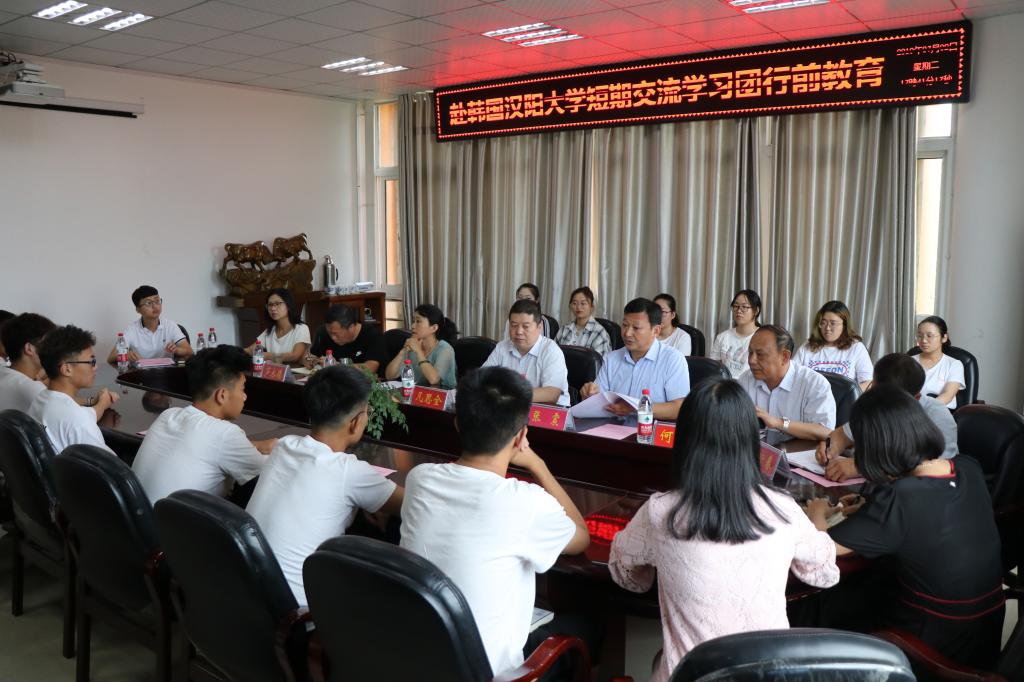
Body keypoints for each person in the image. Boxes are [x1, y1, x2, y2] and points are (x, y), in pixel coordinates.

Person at [610, 378, 839, 682]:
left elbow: (626, 575)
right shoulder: (782, 508)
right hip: (765, 677)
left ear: (684, 439)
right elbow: (824, 572)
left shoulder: (660, 511)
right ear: (751, 439)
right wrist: (817, 520)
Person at [400, 367, 590, 676]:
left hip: (418, 662)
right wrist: (537, 464)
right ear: (521, 436)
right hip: (491, 674)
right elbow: (581, 536)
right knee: (586, 624)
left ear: (457, 424)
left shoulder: (419, 479)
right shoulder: (525, 502)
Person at [806, 385, 1004, 670]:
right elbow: (931, 521)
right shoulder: (967, 467)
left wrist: (818, 512)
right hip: (985, 634)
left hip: (932, 647)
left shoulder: (898, 499)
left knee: (824, 601)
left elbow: (821, 549)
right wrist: (868, 507)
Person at [246, 365, 403, 607]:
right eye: (367, 411)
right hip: (295, 612)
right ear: (355, 422)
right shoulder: (349, 471)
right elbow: (411, 505)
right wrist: (370, 500)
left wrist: (364, 499)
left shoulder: (285, 445)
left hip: (244, 588)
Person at [131, 345, 277, 502]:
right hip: (175, 518)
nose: (245, 397)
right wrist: (277, 449)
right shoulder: (225, 434)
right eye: (242, 389)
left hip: (139, 513)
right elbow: (270, 470)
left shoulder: (168, 415)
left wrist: (254, 445)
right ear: (222, 395)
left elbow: (209, 444)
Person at [816, 353, 958, 481]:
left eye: (888, 400)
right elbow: (842, 435)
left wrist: (862, 467)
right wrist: (829, 447)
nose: (877, 402)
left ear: (916, 397)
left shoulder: (937, 415)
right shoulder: (874, 404)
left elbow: (935, 469)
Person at [580, 298, 690, 420]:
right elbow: (599, 401)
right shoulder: (612, 358)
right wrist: (589, 395)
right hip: (613, 428)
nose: (627, 333)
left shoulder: (672, 359)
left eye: (636, 328)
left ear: (655, 331)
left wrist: (637, 407)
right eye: (625, 325)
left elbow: (679, 408)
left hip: (651, 429)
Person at [29, 325, 118, 454]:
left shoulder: (40, 399)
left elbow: (83, 415)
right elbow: (110, 464)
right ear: (67, 369)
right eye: (91, 362)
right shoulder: (78, 419)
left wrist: (101, 403)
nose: (96, 367)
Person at [737, 325, 835, 441]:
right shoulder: (746, 379)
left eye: (760, 354)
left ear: (784, 357)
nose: (751, 361)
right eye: (750, 352)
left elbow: (826, 432)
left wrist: (779, 423)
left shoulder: (814, 384)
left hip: (799, 451)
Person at [483, 299, 570, 406]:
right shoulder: (502, 347)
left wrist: (508, 394)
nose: (519, 332)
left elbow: (551, 394)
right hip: (511, 410)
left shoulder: (551, 350)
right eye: (514, 325)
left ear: (539, 327)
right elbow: (482, 379)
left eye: (526, 326)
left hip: (548, 412)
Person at [793, 300, 873, 390]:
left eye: (833, 323)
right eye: (823, 323)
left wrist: (848, 396)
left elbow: (868, 382)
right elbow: (792, 376)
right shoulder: (807, 346)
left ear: (844, 325)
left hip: (845, 399)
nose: (827, 328)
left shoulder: (856, 348)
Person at [106, 285, 193, 365]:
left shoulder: (170, 325)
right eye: (148, 303)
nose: (155, 306)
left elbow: (189, 351)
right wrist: (126, 355)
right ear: (138, 309)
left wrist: (176, 350)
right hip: (141, 374)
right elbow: (110, 358)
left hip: (167, 372)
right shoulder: (132, 330)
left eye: (157, 301)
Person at [384, 303, 458, 389]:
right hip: (417, 394)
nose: (412, 326)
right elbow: (389, 376)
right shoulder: (412, 346)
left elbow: (434, 380)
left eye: (418, 321)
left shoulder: (445, 349)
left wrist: (418, 351)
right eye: (413, 321)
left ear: (434, 328)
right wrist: (403, 351)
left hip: (444, 395)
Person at [304, 304, 388, 374]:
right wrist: (309, 361)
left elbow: (370, 368)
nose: (332, 337)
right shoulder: (325, 333)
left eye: (335, 334)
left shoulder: (372, 335)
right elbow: (312, 355)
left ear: (351, 327)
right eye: (329, 333)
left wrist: (337, 366)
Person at [0, 313, 55, 412]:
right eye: (50, 344)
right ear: (29, 349)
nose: (55, 350)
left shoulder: (3, 371)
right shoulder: (35, 390)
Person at [244, 288, 310, 365]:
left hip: (295, 371)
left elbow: (295, 355)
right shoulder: (270, 330)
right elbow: (250, 350)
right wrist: (234, 351)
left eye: (278, 304)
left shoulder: (301, 328)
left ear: (288, 305)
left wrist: (270, 356)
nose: (273, 308)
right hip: (274, 371)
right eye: (270, 305)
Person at [913, 315, 965, 408]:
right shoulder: (909, 361)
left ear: (944, 337)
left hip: (940, 411)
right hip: (910, 411)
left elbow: (947, 395)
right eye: (920, 336)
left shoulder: (954, 365)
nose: (923, 340)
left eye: (929, 336)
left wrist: (923, 411)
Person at [710, 289, 761, 378]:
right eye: (736, 306)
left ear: (756, 311)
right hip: (725, 384)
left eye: (744, 307)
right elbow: (713, 368)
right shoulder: (722, 337)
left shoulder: (763, 338)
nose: (739, 310)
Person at [554, 286, 612, 356]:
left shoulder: (599, 332)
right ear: (570, 306)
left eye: (583, 303)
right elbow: (553, 353)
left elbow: (601, 361)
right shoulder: (564, 329)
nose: (578, 307)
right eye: (575, 303)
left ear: (591, 307)